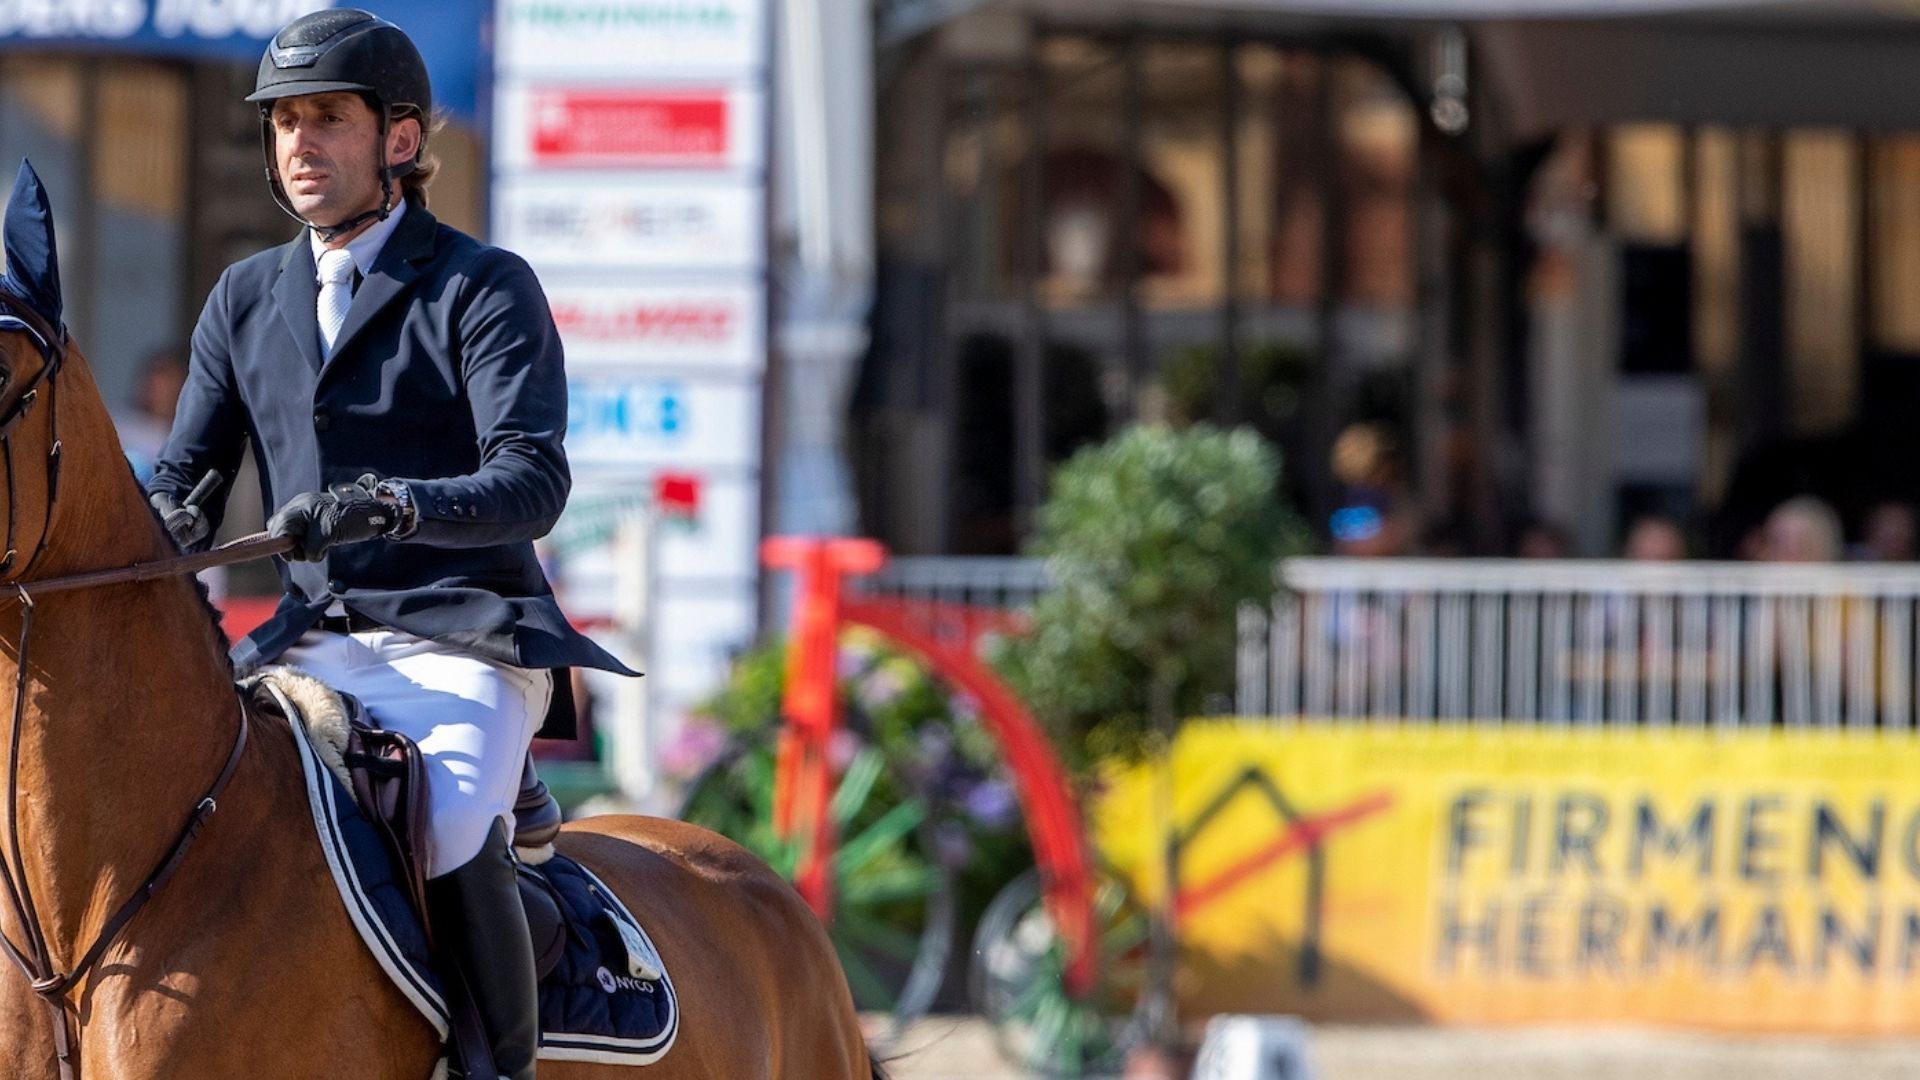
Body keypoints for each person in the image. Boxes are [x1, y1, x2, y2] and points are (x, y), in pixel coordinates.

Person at [147, 11, 635, 1078]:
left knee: (452, 818)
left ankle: (491, 1062)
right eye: (283, 123)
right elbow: (187, 476)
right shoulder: (244, 297)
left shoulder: (480, 285)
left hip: (463, 637)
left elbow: (532, 479)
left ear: (400, 141)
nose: (298, 144)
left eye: (326, 119)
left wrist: (391, 506)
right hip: (306, 643)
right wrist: (157, 523)